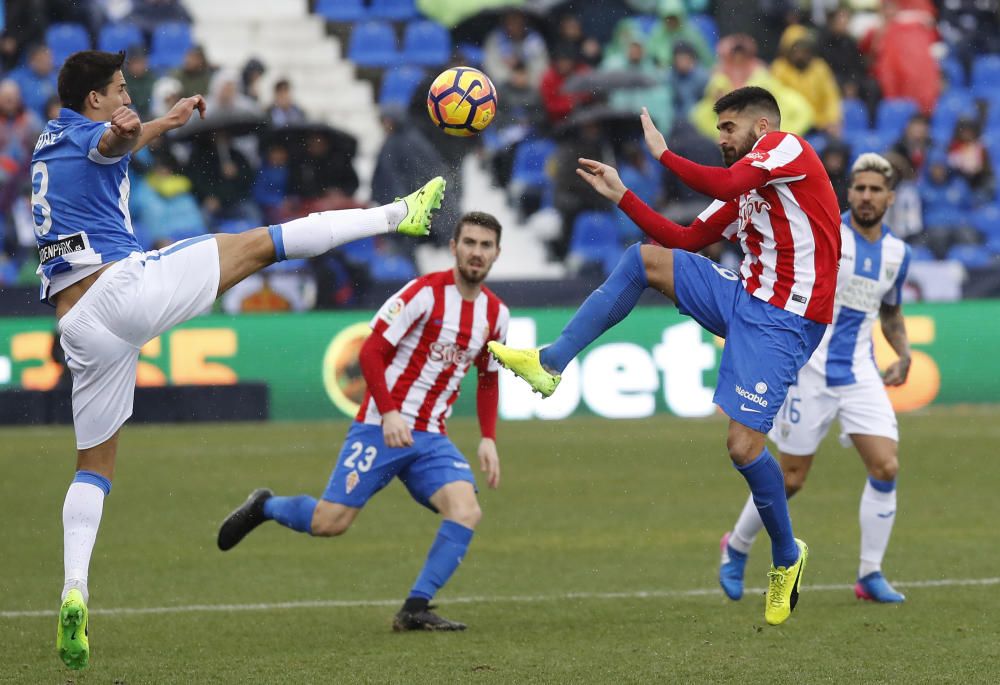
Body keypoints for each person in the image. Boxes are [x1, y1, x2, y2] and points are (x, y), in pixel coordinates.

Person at [33, 50, 447, 671]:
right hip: (121, 287)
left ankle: (73, 589)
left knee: (93, 466)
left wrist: (162, 127)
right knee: (260, 245)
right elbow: (111, 143)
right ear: (95, 99)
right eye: (120, 90)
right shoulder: (99, 131)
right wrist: (127, 131)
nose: (128, 99)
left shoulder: (50, 140)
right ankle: (398, 214)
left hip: (79, 327)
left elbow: (107, 145)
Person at [489, 86, 841, 626]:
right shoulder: (743, 190)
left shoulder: (789, 150)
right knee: (644, 261)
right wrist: (624, 195)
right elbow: (686, 237)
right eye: (719, 129)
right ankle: (550, 363)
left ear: (762, 128)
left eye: (729, 128)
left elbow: (725, 179)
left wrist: (661, 154)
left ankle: (787, 558)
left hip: (788, 320)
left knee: (743, 449)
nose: (721, 137)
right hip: (745, 298)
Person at [217, 212, 509, 632]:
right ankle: (266, 506)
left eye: (485, 246)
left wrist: (488, 438)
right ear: (454, 247)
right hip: (381, 425)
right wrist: (389, 411)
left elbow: (487, 379)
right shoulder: (424, 294)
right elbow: (370, 352)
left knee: (466, 510)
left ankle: (414, 608)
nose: (476, 253)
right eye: (470, 243)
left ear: (497, 253)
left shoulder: (496, 315)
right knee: (329, 523)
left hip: (430, 437)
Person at [719, 152, 911, 604]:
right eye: (859, 188)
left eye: (875, 190)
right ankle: (737, 547)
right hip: (809, 368)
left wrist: (902, 353)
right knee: (789, 478)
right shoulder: (826, 232)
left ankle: (869, 574)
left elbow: (891, 311)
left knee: (886, 465)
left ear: (890, 198)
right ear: (849, 193)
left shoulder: (898, 253)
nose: (866, 197)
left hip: (860, 371)